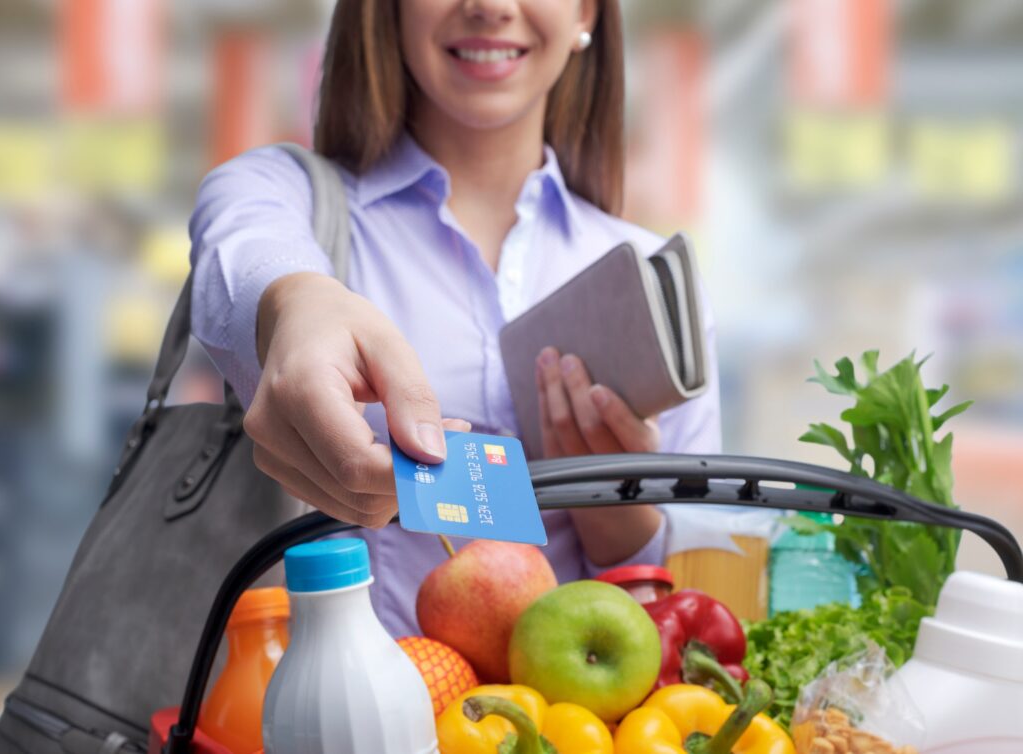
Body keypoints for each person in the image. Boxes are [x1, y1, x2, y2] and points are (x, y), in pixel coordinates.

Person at [189, 0, 721, 637]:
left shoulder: (649, 282)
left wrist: (618, 523)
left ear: (585, 13)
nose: (491, 7)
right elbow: (246, 252)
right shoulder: (286, 198)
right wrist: (300, 306)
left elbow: (706, 596)